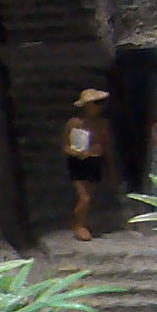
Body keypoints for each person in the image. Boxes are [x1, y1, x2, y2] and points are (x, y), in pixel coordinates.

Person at [64, 88, 113, 242]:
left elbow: (106, 147)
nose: (97, 107)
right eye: (94, 104)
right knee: (84, 198)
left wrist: (110, 167)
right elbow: (65, 146)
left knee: (87, 197)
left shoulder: (102, 124)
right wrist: (77, 153)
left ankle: (77, 222)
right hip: (78, 163)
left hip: (94, 162)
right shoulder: (74, 123)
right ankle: (79, 225)